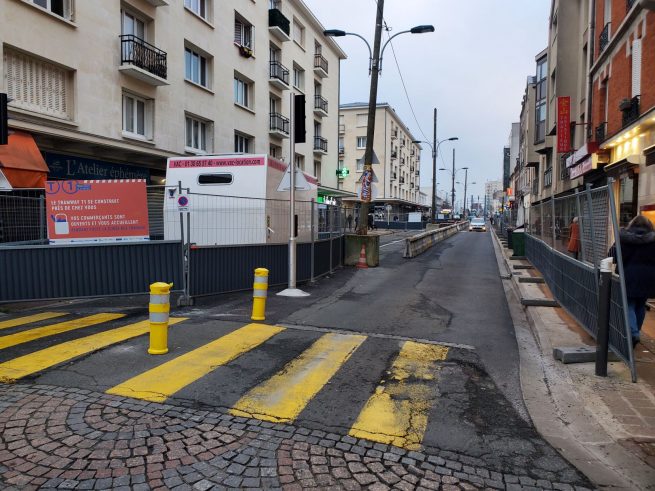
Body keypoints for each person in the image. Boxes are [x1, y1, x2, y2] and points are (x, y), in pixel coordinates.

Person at [611, 215, 655, 349]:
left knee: (628, 304)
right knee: (641, 305)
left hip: (628, 276)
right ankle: (635, 331)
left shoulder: (623, 239)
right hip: (648, 278)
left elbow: (612, 256)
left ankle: (633, 333)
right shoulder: (653, 240)